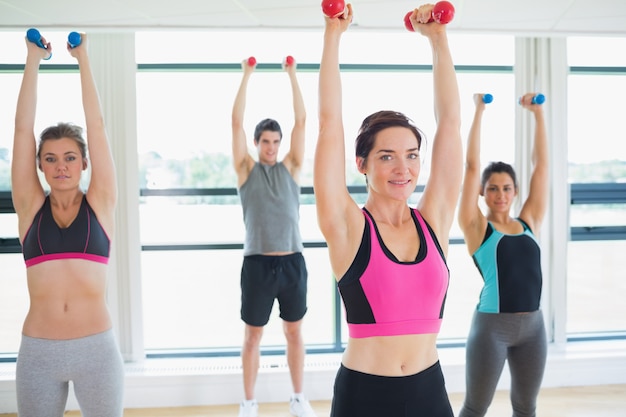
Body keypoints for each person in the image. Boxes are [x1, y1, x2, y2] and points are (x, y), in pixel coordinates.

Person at [315, 3, 462, 416]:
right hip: (365, 395)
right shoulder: (347, 227)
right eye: (386, 157)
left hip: (430, 391)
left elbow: (450, 123)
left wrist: (438, 40)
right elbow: (329, 124)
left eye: (412, 156)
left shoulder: (433, 220)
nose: (404, 169)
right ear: (361, 163)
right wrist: (333, 35)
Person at [12, 32, 124, 416]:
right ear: (40, 164)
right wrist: (32, 60)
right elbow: (21, 131)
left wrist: (84, 60)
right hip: (38, 352)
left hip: (97, 351)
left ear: (84, 163)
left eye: (71, 157)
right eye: (51, 158)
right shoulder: (29, 208)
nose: (61, 165)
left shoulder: (102, 205)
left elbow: (97, 126)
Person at [231, 56, 316, 417]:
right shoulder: (245, 169)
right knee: (253, 337)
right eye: (265, 141)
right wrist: (246, 76)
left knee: (294, 334)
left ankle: (298, 398)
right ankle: (249, 403)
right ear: (256, 142)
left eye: (275, 141)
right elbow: (234, 121)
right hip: (258, 264)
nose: (271, 147)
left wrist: (293, 75)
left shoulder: (292, 167)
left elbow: (302, 121)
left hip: (292, 262)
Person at [457, 93, 549, 417]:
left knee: (526, 407)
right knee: (475, 407)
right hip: (491, 328)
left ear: (515, 191)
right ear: (482, 192)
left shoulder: (529, 222)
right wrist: (479, 112)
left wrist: (537, 114)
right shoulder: (476, 227)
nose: (500, 194)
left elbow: (542, 166)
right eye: (493, 188)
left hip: (534, 328)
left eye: (507, 187)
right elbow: (470, 168)